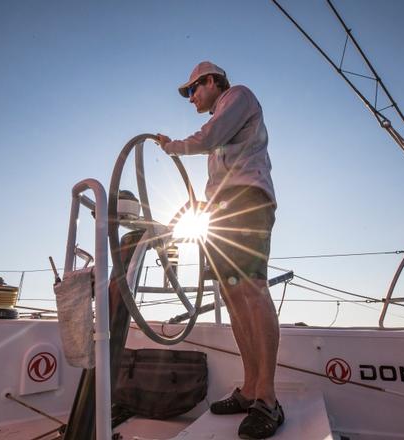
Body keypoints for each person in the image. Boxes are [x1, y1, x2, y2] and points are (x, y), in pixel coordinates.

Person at [156, 61, 282, 439]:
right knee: (232, 295)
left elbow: (210, 137)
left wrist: (172, 147)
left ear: (212, 81)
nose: (191, 97)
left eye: (193, 89)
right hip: (224, 209)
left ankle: (269, 399)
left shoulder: (238, 96)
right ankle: (249, 389)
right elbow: (220, 163)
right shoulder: (226, 118)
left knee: (251, 288)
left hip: (247, 201)